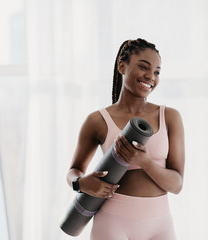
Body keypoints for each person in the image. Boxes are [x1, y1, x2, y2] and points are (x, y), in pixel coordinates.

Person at [67, 38, 185, 240]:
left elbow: (177, 185)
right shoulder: (98, 120)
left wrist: (146, 162)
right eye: (143, 67)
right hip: (112, 222)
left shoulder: (170, 117)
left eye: (157, 72)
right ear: (122, 66)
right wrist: (81, 183)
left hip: (160, 224)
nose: (150, 76)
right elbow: (73, 171)